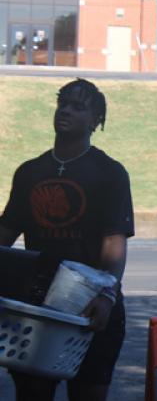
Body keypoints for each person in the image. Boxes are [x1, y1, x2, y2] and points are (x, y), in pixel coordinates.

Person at [0, 78, 134, 401]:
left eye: (78, 106)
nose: (66, 111)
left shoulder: (110, 173)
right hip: (36, 310)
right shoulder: (30, 172)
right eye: (63, 103)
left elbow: (114, 244)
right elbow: (4, 235)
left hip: (92, 308)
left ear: (96, 121)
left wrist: (106, 295)